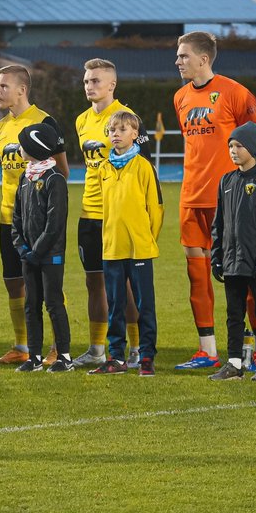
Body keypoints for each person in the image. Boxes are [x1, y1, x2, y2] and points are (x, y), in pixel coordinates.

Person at [172, 31, 256, 370]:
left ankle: (255, 348)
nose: (178, 61)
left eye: (183, 56)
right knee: (196, 273)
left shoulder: (235, 93)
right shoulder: (180, 97)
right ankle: (207, 350)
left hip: (229, 198)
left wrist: (243, 186)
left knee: (243, 273)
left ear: (203, 59)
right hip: (190, 195)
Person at [72, 58, 147, 369]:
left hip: (117, 215)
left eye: (96, 80)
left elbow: (143, 167)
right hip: (89, 212)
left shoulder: (127, 120)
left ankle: (135, 347)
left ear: (112, 85)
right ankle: (97, 348)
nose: (90, 85)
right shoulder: (80, 120)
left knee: (125, 284)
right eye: (87, 80)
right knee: (94, 282)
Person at [0, 64, 68, 365]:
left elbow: (60, 169)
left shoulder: (44, 121)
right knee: (14, 282)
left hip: (42, 223)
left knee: (50, 291)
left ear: (22, 90)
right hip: (10, 218)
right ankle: (23, 347)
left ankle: (56, 348)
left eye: (3, 86)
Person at [91, 111, 163, 377]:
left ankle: (146, 357)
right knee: (115, 305)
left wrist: (146, 237)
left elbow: (156, 209)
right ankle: (117, 358)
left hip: (139, 248)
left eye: (122, 130)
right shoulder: (104, 168)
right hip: (112, 247)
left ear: (135, 134)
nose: (116, 134)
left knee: (145, 305)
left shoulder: (144, 166)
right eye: (111, 131)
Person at [208, 122, 256, 383]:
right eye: (230, 145)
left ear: (252, 148)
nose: (233, 150)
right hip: (231, 261)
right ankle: (234, 363)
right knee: (233, 312)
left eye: (238, 145)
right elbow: (219, 224)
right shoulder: (226, 181)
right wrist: (217, 256)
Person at [10, 122, 73, 373]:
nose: (19, 148)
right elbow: (16, 218)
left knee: (54, 303)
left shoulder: (54, 178)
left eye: (24, 144)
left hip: (50, 255)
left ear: (34, 146)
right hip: (29, 255)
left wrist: (37, 251)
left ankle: (65, 357)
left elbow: (55, 222)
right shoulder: (24, 178)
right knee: (31, 303)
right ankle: (34, 357)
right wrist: (23, 248)